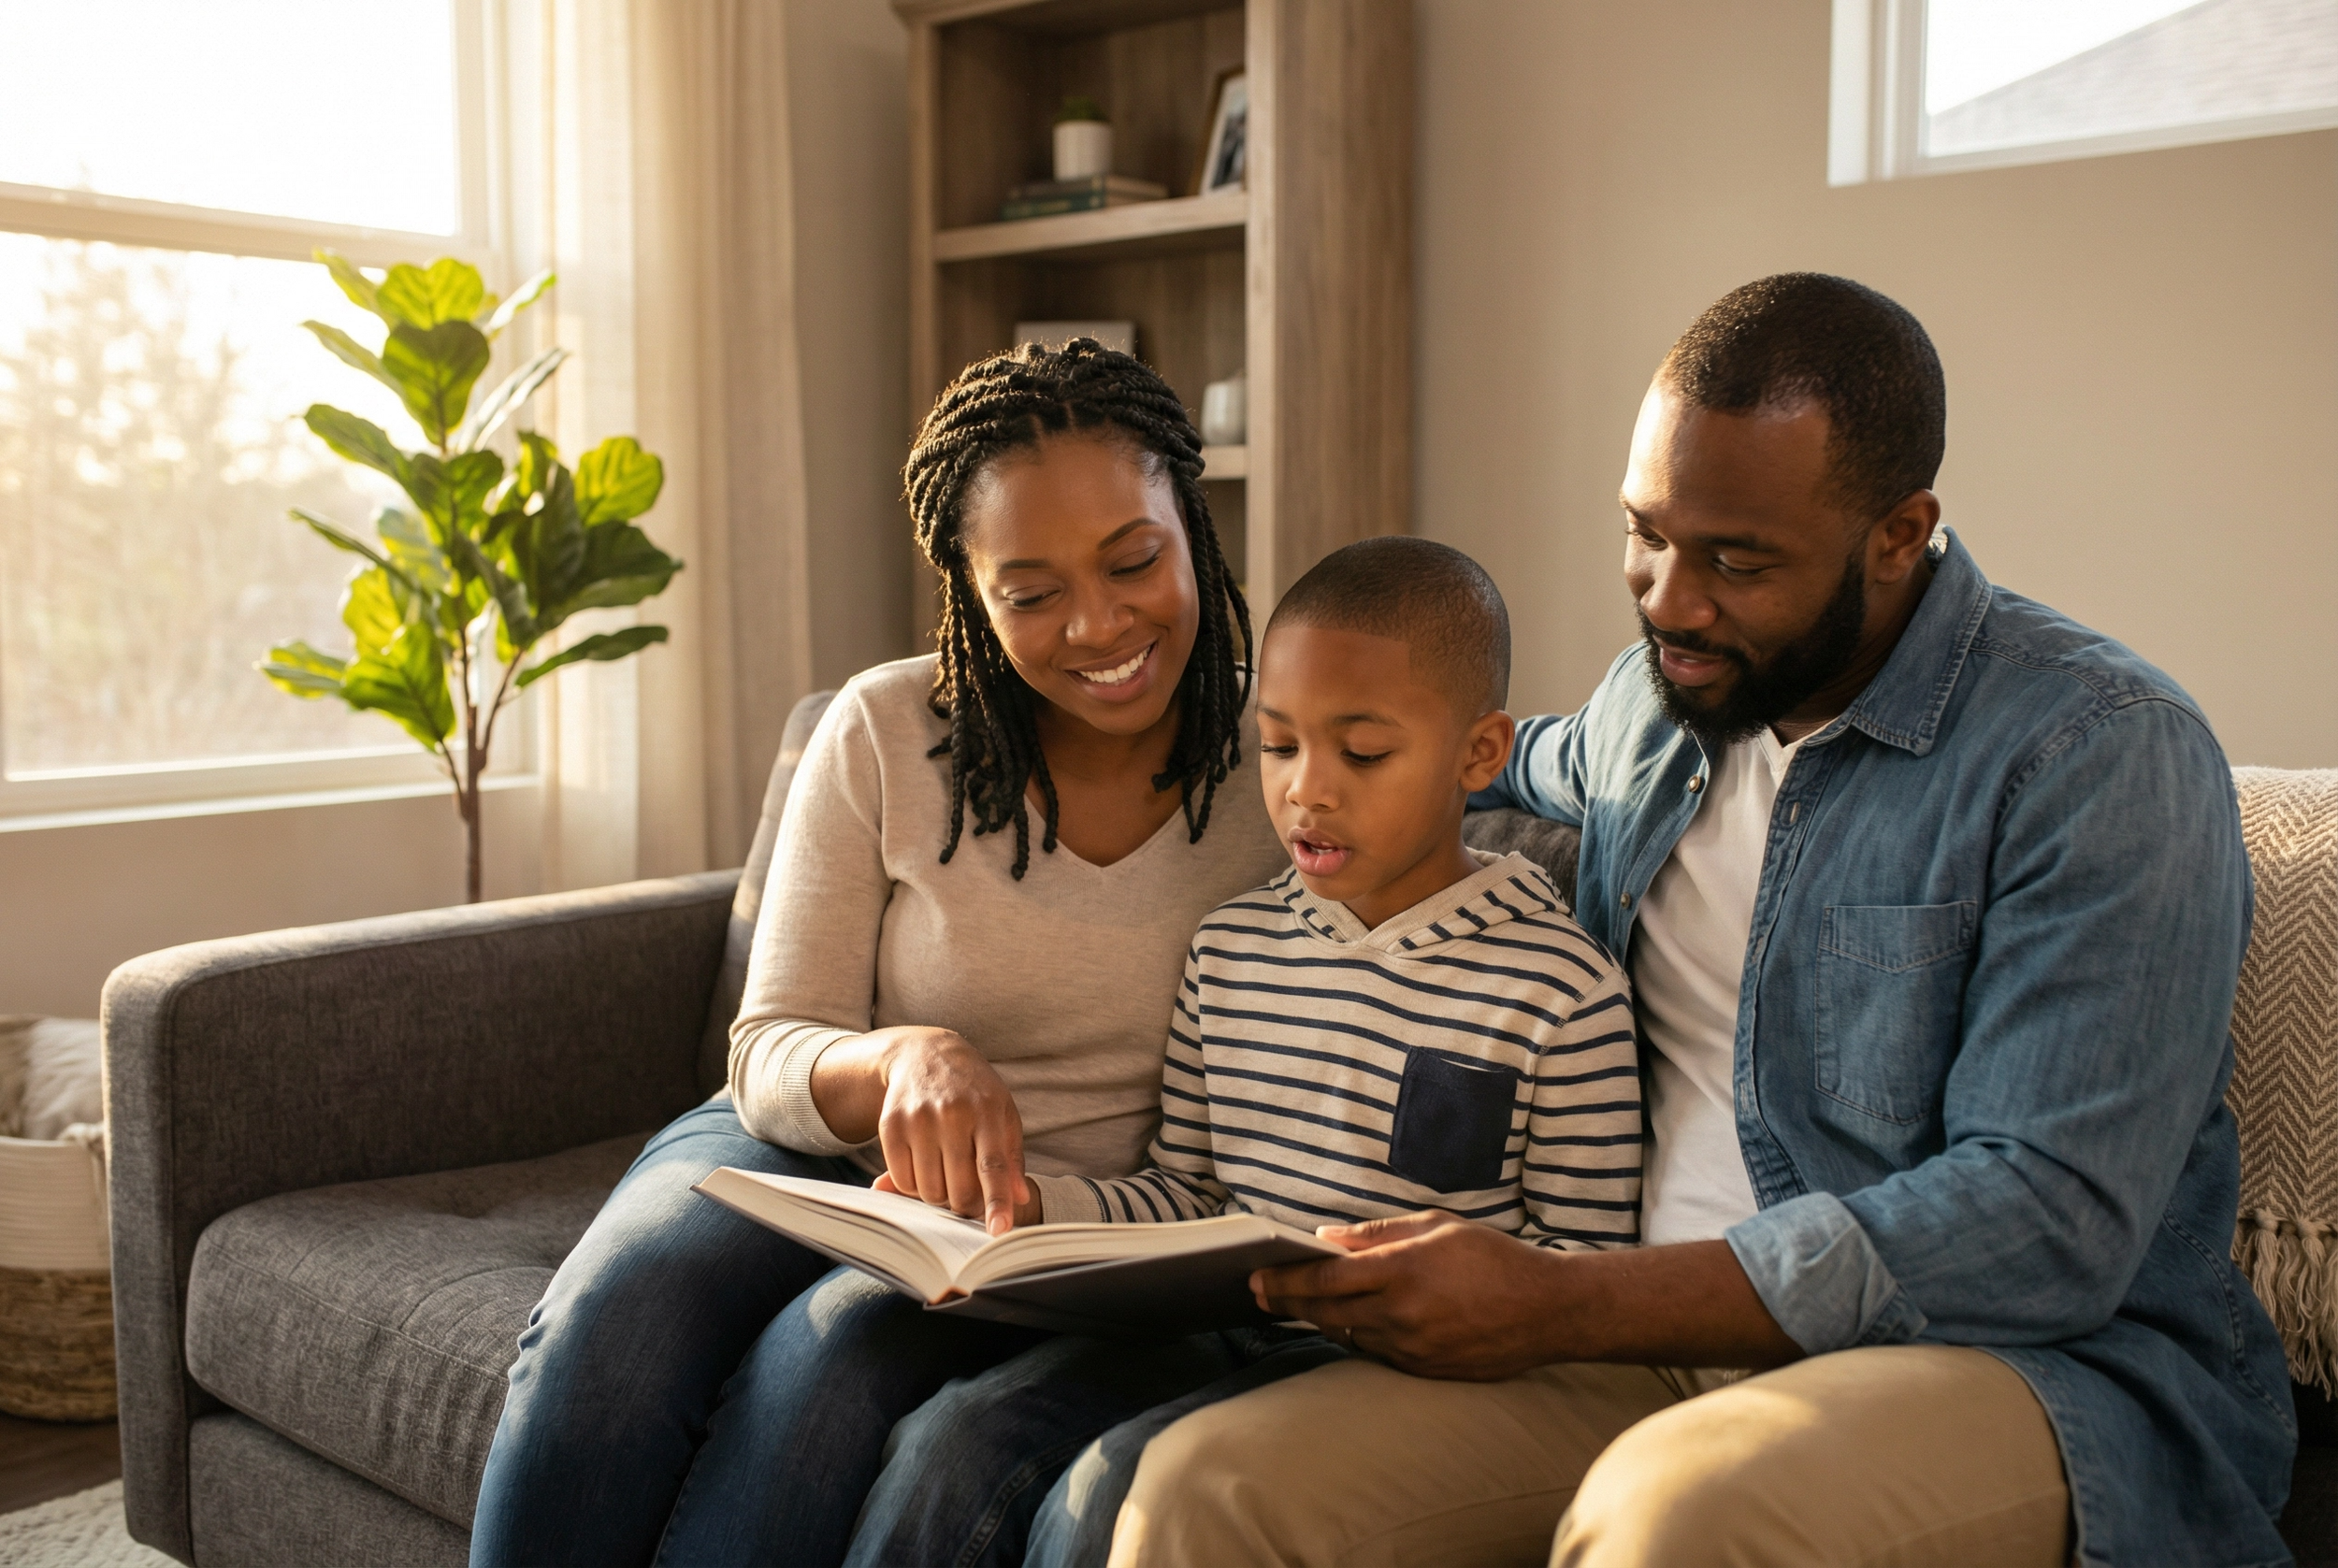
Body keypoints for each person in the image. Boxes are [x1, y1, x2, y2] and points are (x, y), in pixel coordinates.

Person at [1088, 274, 2294, 1568]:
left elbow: (2045, 1221)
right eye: (1644, 533)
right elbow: (1485, 752)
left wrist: (1560, 1299)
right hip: (1635, 1347)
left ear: (1901, 534)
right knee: (1204, 1486)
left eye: (1737, 559)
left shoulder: (2098, 754)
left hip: (2017, 1371)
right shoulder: (1657, 705)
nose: (1667, 598)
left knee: (1681, 1513)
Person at [465, 338, 1292, 1567]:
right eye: (1031, 591)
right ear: (966, 585)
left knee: (826, 1372)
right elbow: (771, 1045)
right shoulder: (887, 729)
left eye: (1134, 561)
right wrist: (906, 1055)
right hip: (809, 1138)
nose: (1100, 623)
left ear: (1192, 514)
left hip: (1045, 1223)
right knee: (616, 1322)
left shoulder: (1287, 764)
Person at [844, 537, 1643, 1567]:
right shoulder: (1231, 949)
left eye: (1361, 754)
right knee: (949, 1441)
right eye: (1277, 746)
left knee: (1106, 1490)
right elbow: (1189, 1193)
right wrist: (1032, 1211)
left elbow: (1588, 1282)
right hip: (1217, 1333)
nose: (1308, 791)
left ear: (1479, 756)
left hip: (1398, 1377)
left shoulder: (1559, 992)